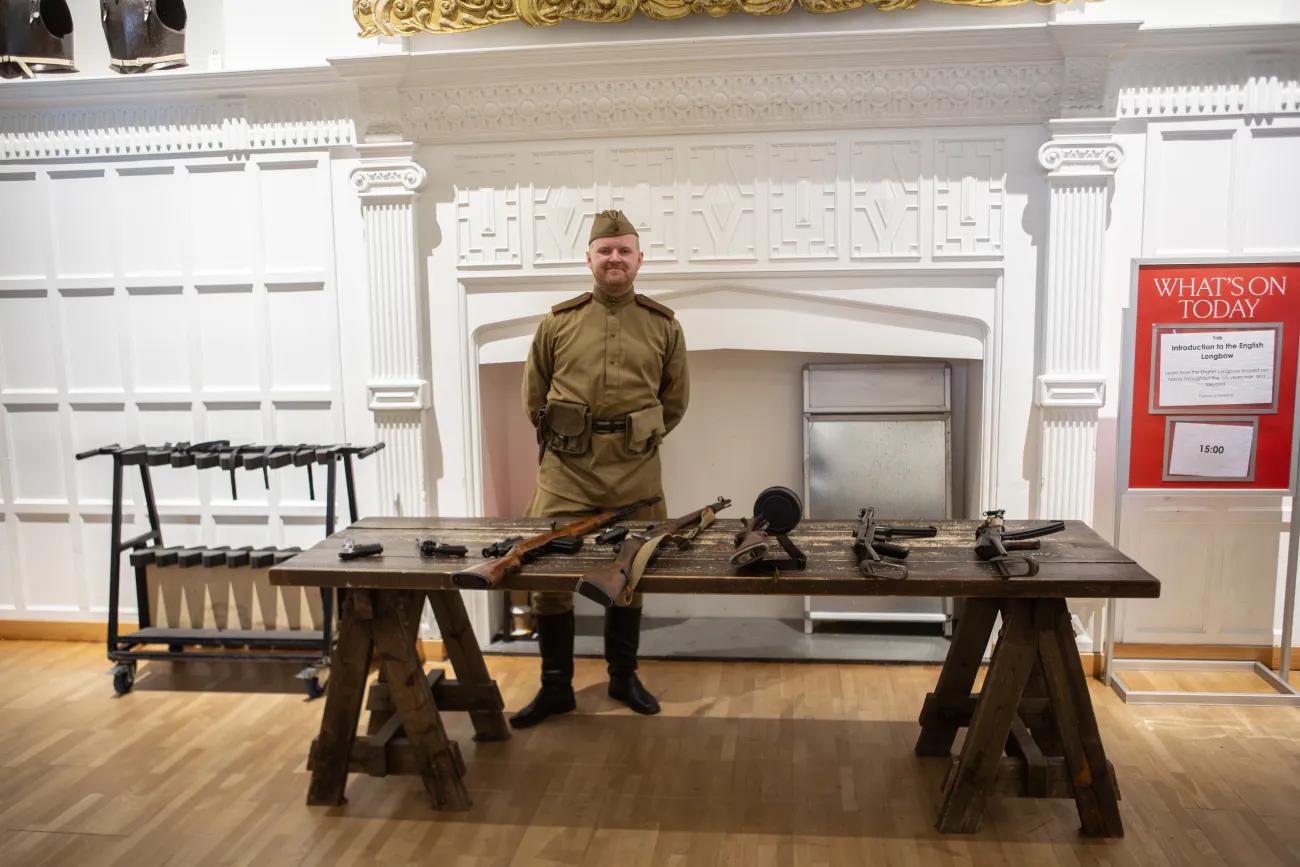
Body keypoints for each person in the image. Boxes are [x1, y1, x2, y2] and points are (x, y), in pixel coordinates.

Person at [511, 209, 690, 729]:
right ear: (589, 259)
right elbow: (533, 397)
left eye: (624, 250)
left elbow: (674, 403)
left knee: (631, 574)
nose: (615, 258)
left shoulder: (664, 325)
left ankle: (622, 676)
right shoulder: (557, 323)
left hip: (636, 474)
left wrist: (632, 440)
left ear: (639, 259)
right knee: (547, 578)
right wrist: (571, 440)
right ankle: (555, 688)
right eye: (605, 250)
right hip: (565, 473)